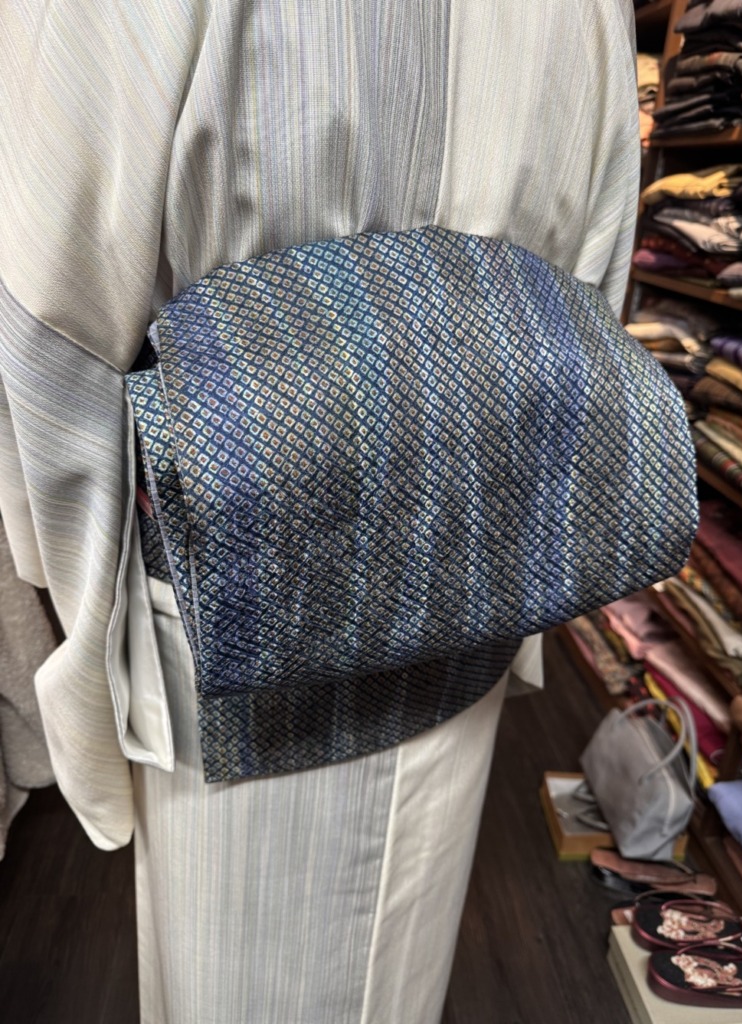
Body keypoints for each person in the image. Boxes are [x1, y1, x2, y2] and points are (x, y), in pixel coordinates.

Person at [0, 2, 640, 1021]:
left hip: (235, 615)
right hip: (446, 596)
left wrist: (81, 629)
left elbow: (48, 326)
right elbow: (589, 304)